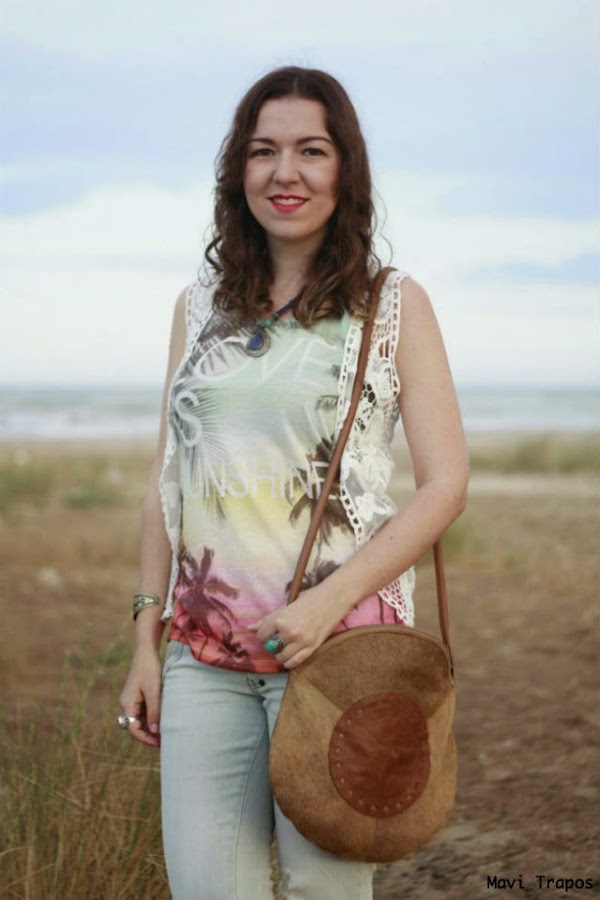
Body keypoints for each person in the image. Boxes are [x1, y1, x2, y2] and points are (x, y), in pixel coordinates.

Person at [118, 65, 469, 900]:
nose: (286, 173)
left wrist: (322, 605)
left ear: (345, 167)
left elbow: (446, 482)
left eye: (311, 150)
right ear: (237, 169)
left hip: (339, 656)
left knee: (324, 892)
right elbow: (169, 482)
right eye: (262, 151)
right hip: (203, 658)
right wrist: (144, 641)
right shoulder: (198, 305)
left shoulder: (392, 303)